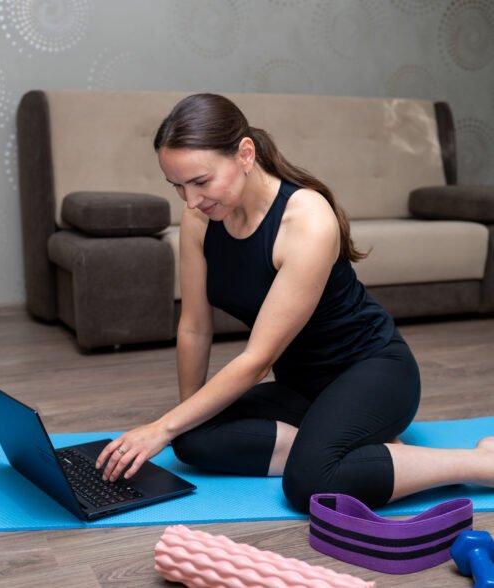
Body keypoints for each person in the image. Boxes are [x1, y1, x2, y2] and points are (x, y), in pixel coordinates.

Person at [96, 93, 493, 512]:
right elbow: (195, 326)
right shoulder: (202, 217)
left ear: (245, 154)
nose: (190, 201)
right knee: (189, 439)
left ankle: (479, 463)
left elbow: (257, 360)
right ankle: (358, 450)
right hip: (301, 388)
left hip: (372, 373)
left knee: (309, 483)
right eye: (178, 186)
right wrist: (180, 424)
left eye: (200, 182)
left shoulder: (306, 218)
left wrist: (160, 427)